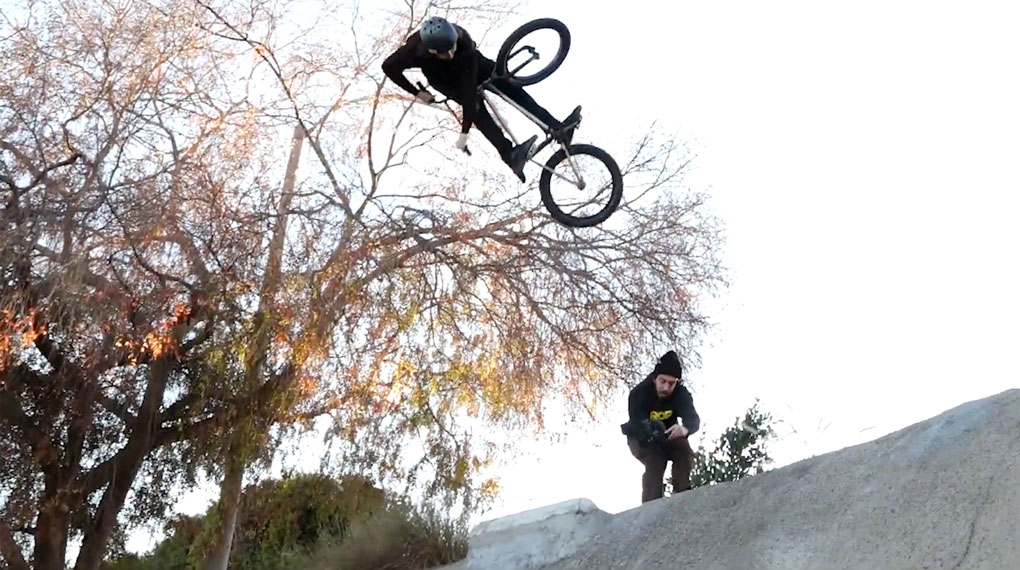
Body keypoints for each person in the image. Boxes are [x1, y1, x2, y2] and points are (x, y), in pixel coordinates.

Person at [381, 16, 581, 182]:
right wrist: (419, 93)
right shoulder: (413, 51)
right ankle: (510, 155)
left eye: (452, 48)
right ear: (432, 50)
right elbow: (388, 68)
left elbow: (468, 75)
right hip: (444, 79)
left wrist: (465, 129)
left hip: (469, 63)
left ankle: (556, 127)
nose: (450, 54)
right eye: (445, 52)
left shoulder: (462, 40)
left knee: (510, 86)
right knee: (476, 107)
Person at [620, 350, 701, 503]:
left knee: (683, 447)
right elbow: (636, 422)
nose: (666, 388)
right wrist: (650, 430)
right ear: (654, 379)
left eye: (671, 383)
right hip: (640, 436)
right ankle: (651, 503)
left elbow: (693, 419)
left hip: (667, 434)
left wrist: (685, 429)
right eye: (662, 381)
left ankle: (683, 495)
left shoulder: (681, 394)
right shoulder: (639, 394)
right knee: (656, 459)